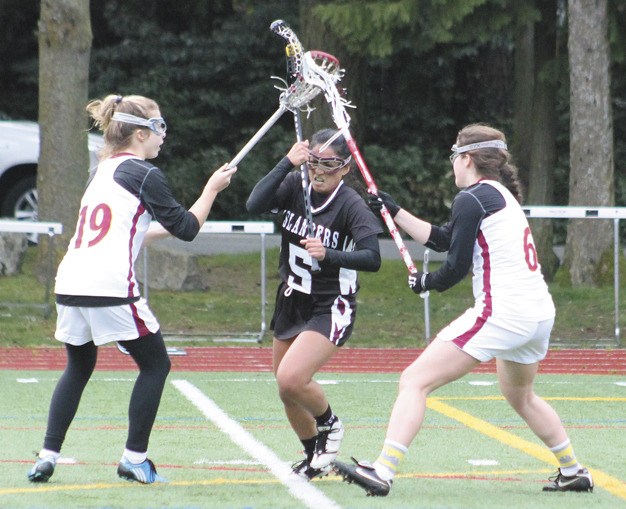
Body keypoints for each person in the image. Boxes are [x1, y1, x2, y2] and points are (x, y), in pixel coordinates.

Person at [333, 123, 593, 496]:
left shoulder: (471, 198)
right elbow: (446, 239)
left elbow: (453, 267)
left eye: (454, 156)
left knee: (414, 380)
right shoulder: (494, 194)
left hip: (503, 313)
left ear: (467, 159)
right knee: (521, 395)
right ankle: (573, 469)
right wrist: (396, 212)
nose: (452, 164)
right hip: (537, 314)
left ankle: (383, 471)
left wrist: (427, 283)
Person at [27, 94, 236, 484]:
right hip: (109, 285)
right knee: (156, 364)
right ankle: (134, 458)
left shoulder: (102, 170)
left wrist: (193, 207)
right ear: (140, 134)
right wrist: (211, 190)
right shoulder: (143, 173)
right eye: (159, 128)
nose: (163, 136)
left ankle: (48, 456)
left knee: (79, 365)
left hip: (70, 280)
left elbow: (134, 231)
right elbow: (187, 230)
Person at [246, 128, 382, 481]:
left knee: (293, 378)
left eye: (329, 164)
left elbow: (373, 257)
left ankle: (330, 425)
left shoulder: (350, 204)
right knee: (286, 390)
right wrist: (287, 162)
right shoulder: (295, 185)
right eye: (314, 162)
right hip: (292, 298)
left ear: (345, 168)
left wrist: (331, 254)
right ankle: (314, 457)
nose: (319, 171)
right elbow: (254, 203)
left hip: (329, 303)